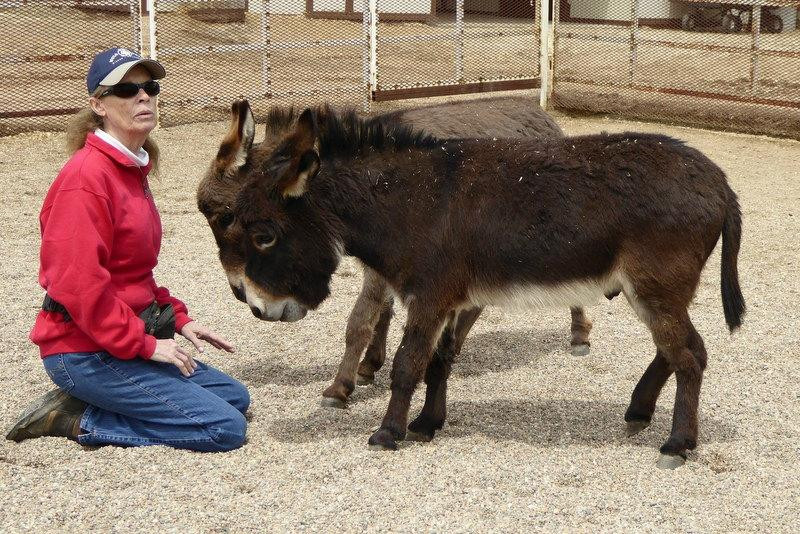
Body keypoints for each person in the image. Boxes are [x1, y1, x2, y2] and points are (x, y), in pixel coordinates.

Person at [5, 47, 250, 452]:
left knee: (236, 399)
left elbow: (134, 272)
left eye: (150, 87)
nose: (144, 97)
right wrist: (148, 345)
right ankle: (78, 418)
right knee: (223, 429)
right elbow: (80, 287)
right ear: (97, 104)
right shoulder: (86, 179)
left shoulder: (131, 169)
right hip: (83, 351)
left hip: (118, 341)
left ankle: (106, 399)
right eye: (127, 89)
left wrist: (180, 319)